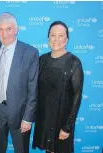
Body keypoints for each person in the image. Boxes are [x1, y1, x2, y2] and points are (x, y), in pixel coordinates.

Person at [0, 12, 39, 153]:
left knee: (21, 149)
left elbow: (33, 88)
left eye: (9, 29)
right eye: (0, 29)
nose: (4, 34)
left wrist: (28, 118)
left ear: (16, 30)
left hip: (20, 113)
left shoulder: (30, 52)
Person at [32, 21, 84, 153]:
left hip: (62, 121)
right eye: (52, 35)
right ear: (48, 37)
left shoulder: (74, 63)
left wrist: (67, 127)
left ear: (66, 39)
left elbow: (76, 97)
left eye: (61, 36)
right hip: (44, 119)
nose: (56, 39)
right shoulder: (42, 60)